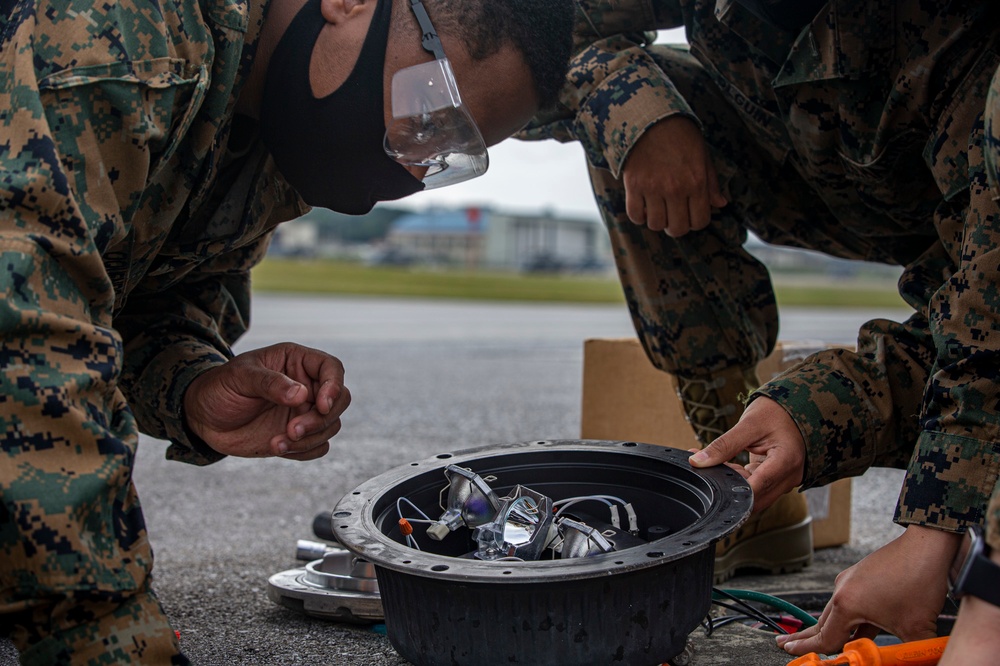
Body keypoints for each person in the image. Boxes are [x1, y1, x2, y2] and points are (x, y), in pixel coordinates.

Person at [0, 0, 573, 661]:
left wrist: (191, 385)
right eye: (429, 111)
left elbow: (143, 306)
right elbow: (28, 325)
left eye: (450, 151)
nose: (419, 166)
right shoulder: (129, 28)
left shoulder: (263, 144)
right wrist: (104, 636)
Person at [522, 0, 1000, 659]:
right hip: (820, 177)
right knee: (626, 99)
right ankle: (745, 490)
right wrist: (624, 99)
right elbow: (523, 38)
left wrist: (935, 530)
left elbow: (982, 322)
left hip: (967, 218)